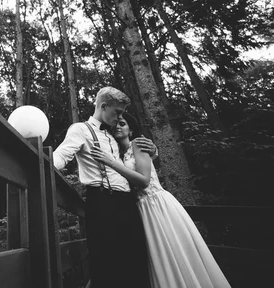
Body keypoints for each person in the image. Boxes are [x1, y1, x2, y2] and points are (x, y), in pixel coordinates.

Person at [90, 112, 231, 288]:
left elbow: (144, 180)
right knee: (157, 256)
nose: (117, 126)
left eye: (122, 123)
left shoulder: (138, 144)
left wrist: (111, 162)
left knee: (173, 249)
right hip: (140, 210)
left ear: (131, 130)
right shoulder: (119, 153)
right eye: (114, 125)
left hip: (156, 204)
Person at [53, 87, 155, 288]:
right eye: (117, 112)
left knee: (135, 257)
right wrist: (41, 161)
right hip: (102, 201)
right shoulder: (80, 129)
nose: (120, 117)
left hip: (128, 202)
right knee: (106, 260)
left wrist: (154, 149)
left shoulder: (113, 135)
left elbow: (132, 156)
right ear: (103, 106)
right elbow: (61, 156)